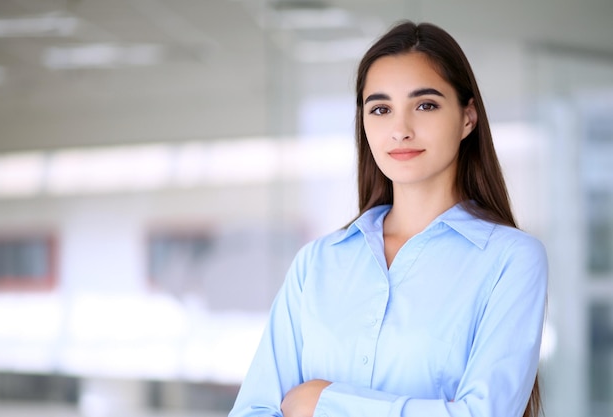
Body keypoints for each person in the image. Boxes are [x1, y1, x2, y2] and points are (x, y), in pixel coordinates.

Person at [228, 20, 547, 417]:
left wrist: (324, 403)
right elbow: (253, 410)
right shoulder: (317, 263)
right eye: (380, 109)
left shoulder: (511, 259)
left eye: (425, 105)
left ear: (468, 118)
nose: (400, 130)